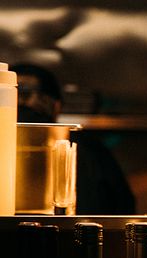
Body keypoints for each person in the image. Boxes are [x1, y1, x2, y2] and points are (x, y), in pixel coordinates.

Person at [11, 63, 136, 215]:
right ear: (57, 106)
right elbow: (123, 205)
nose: (19, 102)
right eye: (16, 95)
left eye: (24, 94)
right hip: (76, 234)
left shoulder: (87, 148)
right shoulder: (88, 146)